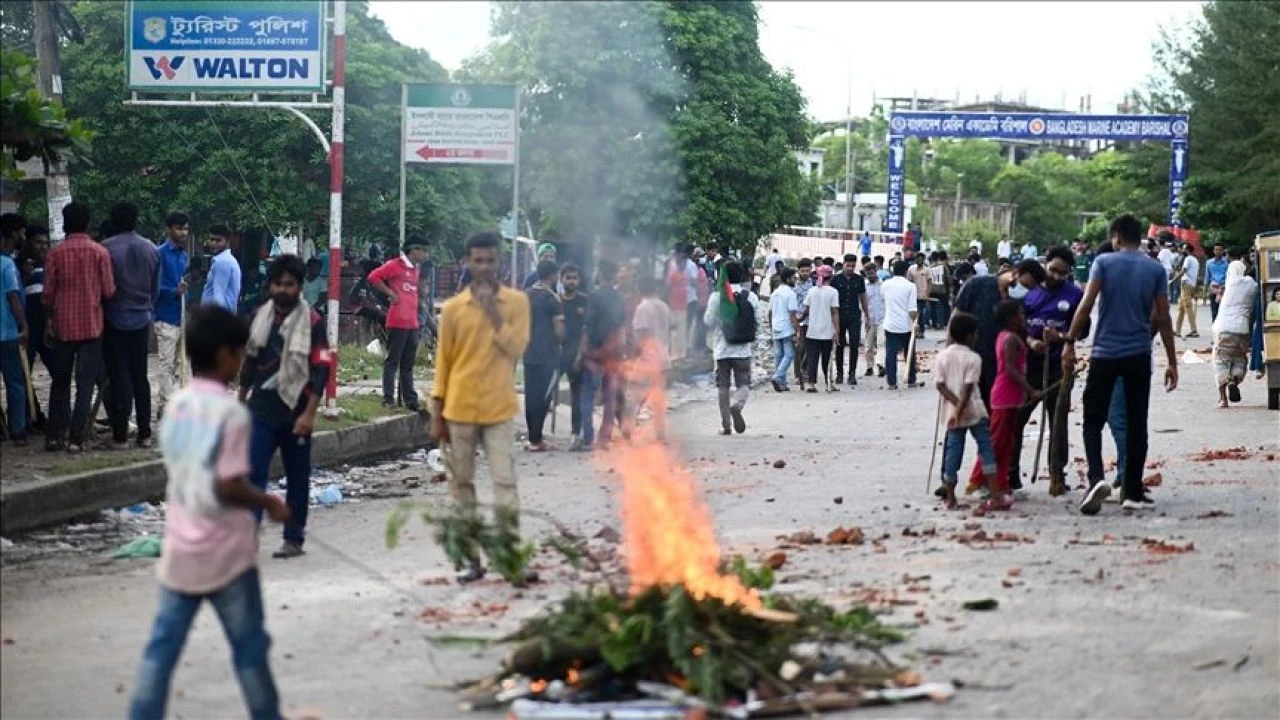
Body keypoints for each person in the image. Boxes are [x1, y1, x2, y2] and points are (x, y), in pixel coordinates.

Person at [127, 304, 287, 720]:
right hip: (227, 554)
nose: (241, 362)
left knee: (161, 650)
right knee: (250, 651)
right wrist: (267, 501)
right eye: (239, 353)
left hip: (181, 548)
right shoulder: (232, 414)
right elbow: (227, 484)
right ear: (223, 354)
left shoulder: (178, 404)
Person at [430, 231, 531, 583]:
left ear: (499, 262)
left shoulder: (517, 303)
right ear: (467, 263)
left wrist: (493, 314)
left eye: (490, 260)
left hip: (499, 409)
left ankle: (509, 556)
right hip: (458, 408)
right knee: (461, 488)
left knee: (505, 483)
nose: (484, 267)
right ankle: (471, 559)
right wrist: (436, 411)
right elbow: (443, 362)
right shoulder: (454, 309)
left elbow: (517, 349)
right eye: (478, 260)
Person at [1063, 214, 1177, 516]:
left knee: (1093, 419)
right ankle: (1132, 490)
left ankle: (1097, 478)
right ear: (1138, 237)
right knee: (1137, 421)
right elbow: (1163, 317)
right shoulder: (1154, 269)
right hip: (1138, 354)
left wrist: (1069, 341)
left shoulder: (1104, 263)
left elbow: (1086, 304)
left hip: (1105, 353)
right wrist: (1172, 361)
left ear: (1115, 237)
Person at [240, 255, 331, 559]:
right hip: (261, 410)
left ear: (299, 287)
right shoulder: (259, 317)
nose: (283, 290)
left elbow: (322, 368)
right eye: (278, 284)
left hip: (296, 412)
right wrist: (240, 400)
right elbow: (250, 361)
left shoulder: (314, 322)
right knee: (253, 476)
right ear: (270, 286)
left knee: (297, 477)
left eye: (289, 285)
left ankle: (293, 538)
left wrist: (310, 413)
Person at [43, 202, 115, 453]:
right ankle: (76, 438)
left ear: (65, 223)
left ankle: (53, 435)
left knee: (60, 382)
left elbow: (48, 294)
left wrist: (48, 323)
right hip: (92, 327)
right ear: (87, 224)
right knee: (85, 384)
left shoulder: (55, 253)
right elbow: (109, 291)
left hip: (63, 327)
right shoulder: (99, 253)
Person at [1011, 249, 1084, 496]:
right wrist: (1031, 342)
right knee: (1016, 419)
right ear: (1045, 265)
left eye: (1063, 273)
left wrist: (1061, 337)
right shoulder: (1028, 292)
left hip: (1058, 369)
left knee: (1058, 422)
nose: (1056, 276)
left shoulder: (1075, 296)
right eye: (1053, 269)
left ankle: (1056, 475)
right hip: (1026, 368)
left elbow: (1082, 332)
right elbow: (1014, 327)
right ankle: (1011, 474)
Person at [965, 300, 1039, 514]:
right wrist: (1031, 389)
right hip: (1004, 395)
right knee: (997, 441)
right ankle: (977, 481)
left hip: (1012, 396)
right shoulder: (1009, 339)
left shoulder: (1010, 337)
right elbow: (1009, 369)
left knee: (1007, 442)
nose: (1023, 318)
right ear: (1010, 318)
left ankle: (1001, 484)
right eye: (1020, 315)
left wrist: (1024, 392)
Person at [102, 203, 160, 449]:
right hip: (142, 318)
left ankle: (120, 434)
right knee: (141, 377)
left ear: (113, 222)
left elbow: (104, 290)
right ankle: (145, 432)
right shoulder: (151, 249)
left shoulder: (106, 249)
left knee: (118, 376)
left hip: (114, 318)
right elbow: (154, 289)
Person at [933, 312, 995, 510]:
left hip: (952, 413)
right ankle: (995, 493)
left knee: (953, 452)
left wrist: (955, 407)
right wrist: (962, 407)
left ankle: (950, 496)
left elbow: (941, 386)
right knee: (986, 448)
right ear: (970, 336)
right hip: (974, 411)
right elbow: (969, 388)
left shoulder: (942, 356)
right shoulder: (973, 358)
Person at [367, 235, 429, 411]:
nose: (426, 255)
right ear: (414, 250)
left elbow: (419, 294)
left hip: (412, 322)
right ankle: (388, 398)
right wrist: (390, 293)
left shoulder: (415, 270)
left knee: (408, 364)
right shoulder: (394, 265)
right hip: (397, 320)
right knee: (392, 360)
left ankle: (410, 400)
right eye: (423, 251)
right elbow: (373, 277)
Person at [574, 259, 626, 451]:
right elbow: (622, 327)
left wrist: (581, 353)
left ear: (601, 274)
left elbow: (587, 326)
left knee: (587, 395)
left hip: (594, 355)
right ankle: (604, 438)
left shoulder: (594, 297)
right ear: (613, 276)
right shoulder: (619, 297)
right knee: (609, 397)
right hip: (613, 355)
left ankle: (587, 437)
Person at [705, 260, 760, 431]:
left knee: (723, 386)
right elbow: (757, 322)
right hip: (743, 350)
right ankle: (738, 406)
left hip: (722, 350)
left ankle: (726, 425)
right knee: (743, 383)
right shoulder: (750, 296)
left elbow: (708, 321)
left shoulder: (717, 297)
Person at [952, 263, 1016, 409]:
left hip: (998, 363)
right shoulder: (976, 284)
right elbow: (956, 318)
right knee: (962, 407)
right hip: (970, 356)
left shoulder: (1020, 296)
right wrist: (950, 353)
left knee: (991, 408)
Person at [522, 259, 563, 451]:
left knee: (531, 395)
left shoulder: (526, 295)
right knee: (544, 397)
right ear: (553, 275)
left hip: (529, 353)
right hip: (548, 355)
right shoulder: (552, 299)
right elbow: (559, 330)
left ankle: (532, 437)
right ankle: (536, 439)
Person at [154, 213, 190, 417]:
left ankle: (171, 405)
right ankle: (166, 407)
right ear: (168, 229)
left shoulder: (183, 255)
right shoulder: (160, 254)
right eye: (179, 228)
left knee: (180, 364)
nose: (183, 233)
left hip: (181, 315)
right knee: (166, 364)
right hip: (165, 316)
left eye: (185, 229)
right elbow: (155, 287)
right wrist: (174, 291)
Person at [1211, 254, 1257, 408]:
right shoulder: (1252, 285)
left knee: (1220, 362)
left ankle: (1222, 398)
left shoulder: (1229, 285)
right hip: (1242, 330)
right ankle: (1234, 380)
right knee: (1239, 359)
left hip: (1223, 329)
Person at [628, 274, 671, 437]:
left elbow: (641, 336)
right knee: (658, 397)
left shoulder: (643, 307)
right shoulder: (664, 306)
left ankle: (628, 429)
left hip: (648, 359)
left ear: (639, 289)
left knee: (635, 394)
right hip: (663, 358)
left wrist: (634, 356)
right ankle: (660, 433)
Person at [17, 224, 51, 430]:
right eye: (38, 242)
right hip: (27, 327)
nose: (42, 247)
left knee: (59, 370)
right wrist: (24, 276)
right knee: (23, 375)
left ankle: (55, 417)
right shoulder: (17, 266)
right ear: (28, 242)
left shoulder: (49, 264)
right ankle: (30, 416)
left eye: (45, 243)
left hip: (46, 326)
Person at [0, 215, 30, 445]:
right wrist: (24, 325)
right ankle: (18, 430)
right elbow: (13, 296)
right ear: (11, 235)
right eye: (21, 232)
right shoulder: (7, 265)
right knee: (16, 382)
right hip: (8, 332)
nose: (23, 237)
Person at [558, 263, 589, 440]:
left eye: (574, 278)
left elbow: (587, 329)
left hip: (577, 353)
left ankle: (575, 433)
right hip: (557, 353)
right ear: (562, 279)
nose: (571, 281)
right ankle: (536, 434)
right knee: (544, 392)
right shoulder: (556, 300)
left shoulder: (584, 300)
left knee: (576, 394)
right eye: (568, 278)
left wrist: (580, 354)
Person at [830, 254, 871, 385]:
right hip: (839, 315)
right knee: (840, 345)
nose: (850, 268)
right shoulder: (836, 279)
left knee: (854, 344)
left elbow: (863, 298)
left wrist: (867, 316)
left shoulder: (859, 280)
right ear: (843, 264)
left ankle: (852, 373)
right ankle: (839, 373)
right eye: (848, 265)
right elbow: (830, 299)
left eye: (853, 266)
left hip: (854, 315)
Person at [881, 260, 920, 390]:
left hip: (890, 324)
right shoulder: (910, 286)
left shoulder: (885, 284)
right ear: (906, 271)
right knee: (909, 352)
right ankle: (911, 379)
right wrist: (916, 323)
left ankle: (891, 382)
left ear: (893, 270)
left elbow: (883, 300)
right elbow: (912, 309)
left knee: (890, 353)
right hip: (906, 325)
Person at [802, 264, 839, 393]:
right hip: (827, 331)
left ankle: (811, 384)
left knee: (812, 359)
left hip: (812, 330)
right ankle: (829, 383)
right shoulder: (833, 292)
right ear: (831, 277)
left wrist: (800, 319)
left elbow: (806, 309)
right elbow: (834, 312)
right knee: (827, 359)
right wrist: (837, 330)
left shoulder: (812, 291)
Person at [768, 266, 799, 392]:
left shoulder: (775, 293)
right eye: (793, 277)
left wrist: (771, 326)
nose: (795, 280)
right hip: (786, 327)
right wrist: (797, 330)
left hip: (776, 326)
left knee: (779, 356)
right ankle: (777, 376)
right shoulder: (790, 294)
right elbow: (792, 314)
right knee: (789, 355)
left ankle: (783, 383)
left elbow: (769, 312)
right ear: (788, 279)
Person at [201, 225, 241, 312]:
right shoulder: (227, 259)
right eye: (212, 240)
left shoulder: (222, 261)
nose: (214, 243)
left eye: (218, 240)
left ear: (227, 242)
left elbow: (218, 294)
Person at [792, 258, 814, 390]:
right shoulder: (794, 285)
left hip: (812, 320)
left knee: (809, 348)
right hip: (799, 320)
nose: (805, 273)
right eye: (803, 271)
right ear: (798, 271)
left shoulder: (815, 284)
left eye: (807, 270)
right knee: (800, 348)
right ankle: (798, 374)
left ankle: (806, 372)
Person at [862, 258, 886, 378]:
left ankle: (880, 365)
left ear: (876, 271)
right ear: (866, 273)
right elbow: (862, 303)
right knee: (868, 345)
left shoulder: (884, 285)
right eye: (869, 273)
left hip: (882, 318)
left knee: (882, 343)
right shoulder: (864, 286)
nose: (871, 274)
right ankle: (869, 366)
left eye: (873, 272)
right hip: (869, 319)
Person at [665, 248, 690, 360]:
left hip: (683, 306)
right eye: (682, 262)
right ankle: (675, 355)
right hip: (674, 306)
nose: (683, 264)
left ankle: (682, 353)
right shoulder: (673, 275)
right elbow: (667, 288)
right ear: (678, 263)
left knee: (682, 331)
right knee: (674, 331)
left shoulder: (684, 275)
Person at [1173, 243, 1201, 338]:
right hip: (1191, 284)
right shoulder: (1195, 260)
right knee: (1181, 308)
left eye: (1184, 249)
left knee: (1188, 307)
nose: (1182, 250)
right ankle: (1177, 331)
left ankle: (1194, 330)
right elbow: (1195, 275)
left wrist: (1174, 279)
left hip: (1186, 284)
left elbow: (1183, 270)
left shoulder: (1188, 259)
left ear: (1188, 250)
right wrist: (1195, 290)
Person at [907, 255, 932, 333]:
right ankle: (914, 330)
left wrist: (927, 294)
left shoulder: (927, 270)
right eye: (918, 259)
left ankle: (921, 331)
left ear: (924, 260)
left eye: (921, 260)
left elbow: (929, 283)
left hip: (922, 295)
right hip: (913, 295)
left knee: (920, 314)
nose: (920, 261)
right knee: (914, 313)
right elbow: (909, 281)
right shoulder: (911, 269)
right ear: (915, 260)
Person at [928, 251, 953, 329]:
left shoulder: (929, 268)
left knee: (933, 307)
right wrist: (950, 287)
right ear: (938, 258)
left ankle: (934, 323)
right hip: (942, 289)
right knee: (943, 306)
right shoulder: (943, 266)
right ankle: (943, 323)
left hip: (932, 289)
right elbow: (948, 277)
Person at [1205, 243, 1229, 321]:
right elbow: (1207, 277)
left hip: (1224, 289)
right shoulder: (1209, 263)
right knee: (1214, 311)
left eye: (1220, 250)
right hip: (1213, 289)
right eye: (1216, 249)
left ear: (1223, 251)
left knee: (1223, 311)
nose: (1218, 251)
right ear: (1213, 251)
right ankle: (1215, 329)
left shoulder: (1227, 262)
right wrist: (1205, 291)